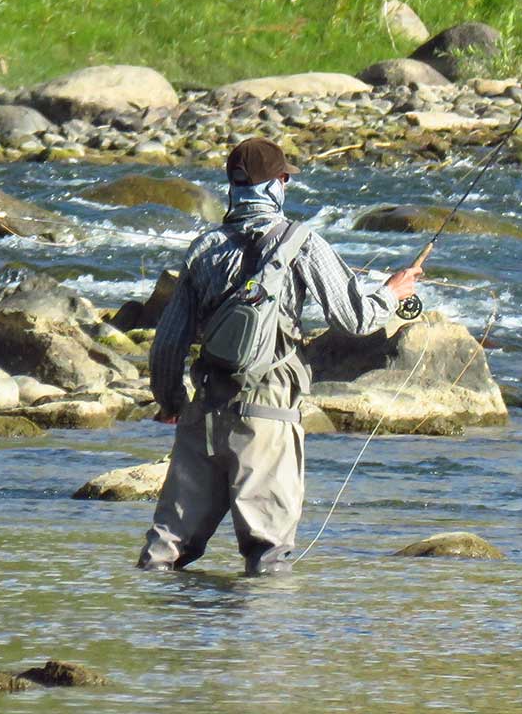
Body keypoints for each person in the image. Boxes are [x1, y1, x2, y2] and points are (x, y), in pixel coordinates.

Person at [138, 137, 422, 575]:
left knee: (164, 553)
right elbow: (356, 318)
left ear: (232, 186)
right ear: (281, 182)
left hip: (204, 412)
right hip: (267, 415)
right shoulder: (301, 242)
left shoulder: (203, 249)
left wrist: (171, 401)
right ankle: (259, 644)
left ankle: (161, 638)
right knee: (267, 555)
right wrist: (392, 292)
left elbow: (168, 344)